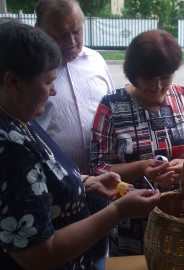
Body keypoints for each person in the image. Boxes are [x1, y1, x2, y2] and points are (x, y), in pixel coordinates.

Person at [0, 21, 160, 269]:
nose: (54, 91)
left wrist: (87, 182)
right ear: (13, 83)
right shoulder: (9, 147)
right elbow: (39, 255)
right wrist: (118, 212)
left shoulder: (17, 116)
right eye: (47, 81)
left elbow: (40, 181)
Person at [90, 29, 184, 256]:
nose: (158, 87)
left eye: (165, 77)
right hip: (130, 222)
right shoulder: (112, 106)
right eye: (149, 78)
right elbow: (97, 168)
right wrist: (141, 168)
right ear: (133, 74)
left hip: (181, 218)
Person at [34, 0, 115, 268]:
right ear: (39, 30)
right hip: (52, 192)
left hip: (100, 185)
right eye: (60, 34)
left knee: (98, 256)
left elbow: (113, 114)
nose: (71, 41)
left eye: (77, 31)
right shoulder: (31, 73)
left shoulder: (96, 61)